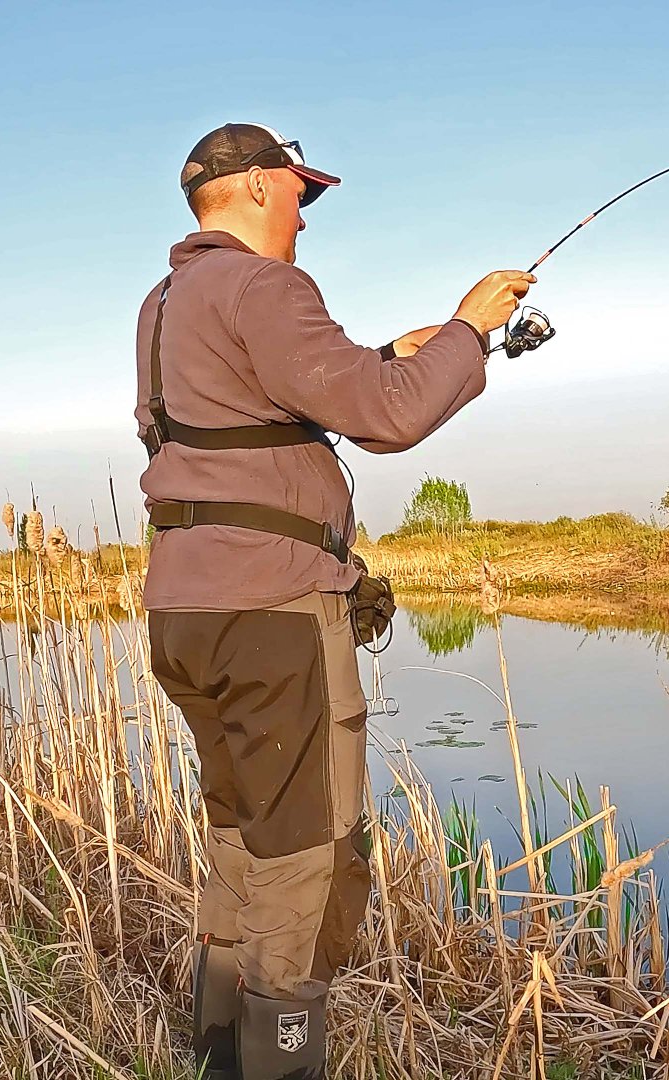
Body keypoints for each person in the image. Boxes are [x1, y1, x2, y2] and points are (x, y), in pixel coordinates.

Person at [137, 123, 532, 1080]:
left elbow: (240, 412)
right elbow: (388, 414)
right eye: (300, 196)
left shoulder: (164, 303)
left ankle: (217, 1058)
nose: (306, 220)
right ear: (259, 187)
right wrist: (473, 327)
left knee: (240, 838)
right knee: (309, 856)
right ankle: (278, 1064)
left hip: (185, 612)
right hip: (272, 614)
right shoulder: (265, 286)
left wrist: (400, 348)